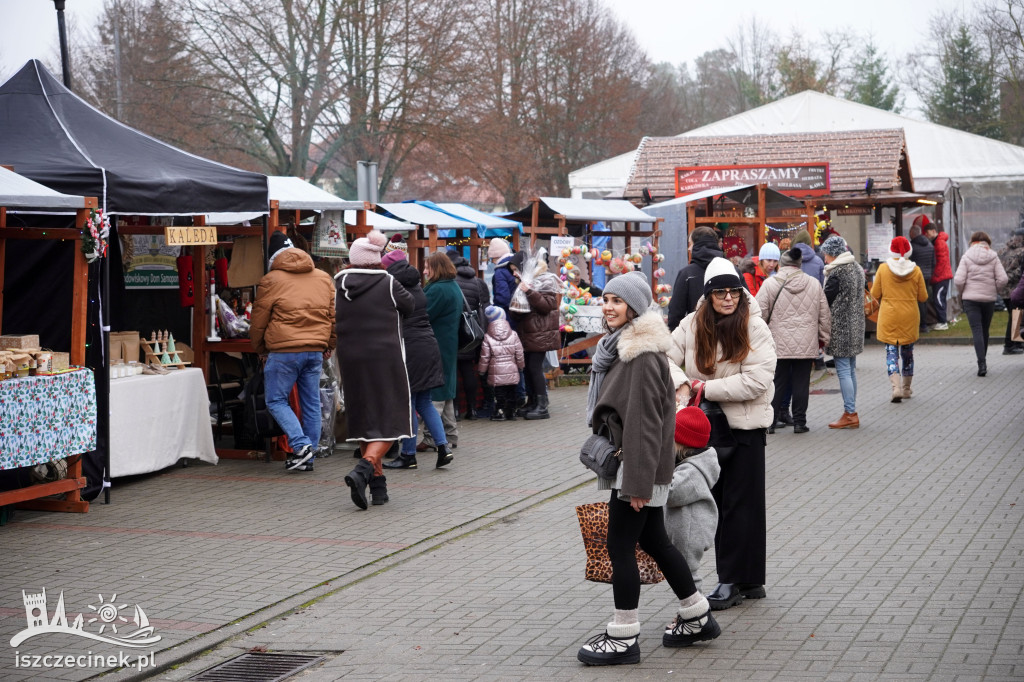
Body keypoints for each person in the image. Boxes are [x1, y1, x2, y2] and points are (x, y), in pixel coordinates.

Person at [577, 272, 721, 667]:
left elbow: (644, 424)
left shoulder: (639, 356)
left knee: (620, 547)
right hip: (642, 466)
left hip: (637, 469)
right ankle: (697, 615)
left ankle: (624, 637)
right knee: (656, 541)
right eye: (606, 299)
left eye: (617, 301)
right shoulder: (624, 347)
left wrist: (638, 485)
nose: (609, 307)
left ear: (635, 308)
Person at [666, 257, 776, 611]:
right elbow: (662, 357)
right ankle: (747, 580)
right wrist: (683, 383)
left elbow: (758, 380)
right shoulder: (691, 323)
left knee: (742, 506)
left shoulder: (755, 326)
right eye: (720, 292)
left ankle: (734, 579)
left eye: (734, 291)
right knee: (719, 503)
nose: (728, 298)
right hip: (706, 428)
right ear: (708, 295)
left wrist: (704, 388)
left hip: (745, 428)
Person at [336, 230, 416, 509]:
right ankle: (364, 468)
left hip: (350, 358)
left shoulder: (338, 282)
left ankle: (378, 487)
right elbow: (411, 305)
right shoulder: (388, 282)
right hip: (385, 357)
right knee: (393, 416)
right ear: (376, 257)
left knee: (365, 419)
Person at [250, 231, 336, 472]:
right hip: (314, 350)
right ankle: (307, 458)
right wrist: (329, 344)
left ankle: (300, 445)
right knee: (311, 404)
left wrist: (260, 348)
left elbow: (258, 320)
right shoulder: (323, 278)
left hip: (283, 350)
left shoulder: (271, 279)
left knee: (276, 400)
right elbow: (332, 317)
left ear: (273, 258)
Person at [380, 249, 451, 471]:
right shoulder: (419, 288)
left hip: (410, 349)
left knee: (407, 402)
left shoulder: (395, 291)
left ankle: (408, 455)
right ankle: (443, 447)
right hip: (428, 346)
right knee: (424, 402)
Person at [756, 247, 830, 434]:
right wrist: (825, 338)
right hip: (806, 342)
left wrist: (757, 339)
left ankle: (770, 423)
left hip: (777, 343)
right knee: (801, 383)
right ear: (799, 264)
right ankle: (799, 422)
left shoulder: (770, 284)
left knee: (777, 382)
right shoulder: (813, 284)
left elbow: (758, 313)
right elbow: (824, 314)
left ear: (782, 264)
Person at [665, 406, 720, 594]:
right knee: (681, 572)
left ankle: (696, 607)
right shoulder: (687, 464)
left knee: (688, 573)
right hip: (684, 528)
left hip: (690, 532)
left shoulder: (692, 471)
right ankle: (693, 606)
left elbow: (671, 493)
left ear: (682, 443)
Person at [871, 236, 928, 400]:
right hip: (909, 316)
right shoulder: (916, 270)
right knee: (908, 353)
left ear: (891, 250)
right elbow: (923, 296)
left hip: (889, 316)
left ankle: (895, 388)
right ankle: (906, 389)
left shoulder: (883, 269)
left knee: (891, 352)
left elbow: (875, 294)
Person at [418, 251, 463, 452]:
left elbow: (422, 314)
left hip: (436, 344)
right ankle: (451, 434)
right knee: (446, 391)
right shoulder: (452, 285)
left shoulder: (437, 289)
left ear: (436, 268)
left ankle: (432, 437)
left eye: (427, 267)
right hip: (448, 343)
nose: (424, 271)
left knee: (435, 392)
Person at [509, 249, 561, 420]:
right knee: (527, 369)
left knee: (534, 368)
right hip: (528, 333)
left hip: (540, 333)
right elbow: (520, 311)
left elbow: (547, 306)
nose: (514, 273)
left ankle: (542, 405)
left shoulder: (544, 281)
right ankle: (532, 401)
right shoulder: (524, 281)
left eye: (515, 269)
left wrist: (529, 291)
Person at [820, 235, 865, 429]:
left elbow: (825, 300)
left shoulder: (837, 272)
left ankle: (850, 413)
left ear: (833, 253)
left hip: (841, 328)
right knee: (851, 369)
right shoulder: (856, 268)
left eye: (826, 254)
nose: (824, 258)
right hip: (856, 326)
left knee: (844, 370)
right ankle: (851, 410)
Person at [954, 231, 1009, 377]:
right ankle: (983, 361)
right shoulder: (993, 256)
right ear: (987, 242)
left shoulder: (966, 256)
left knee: (977, 330)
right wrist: (995, 289)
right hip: (988, 300)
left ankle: (982, 363)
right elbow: (1003, 279)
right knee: (985, 330)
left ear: (972, 242)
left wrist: (963, 291)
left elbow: (958, 280)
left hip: (970, 300)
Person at [449, 250, 491, 419]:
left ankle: (456, 410)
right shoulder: (478, 281)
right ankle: (472, 410)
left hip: (454, 330)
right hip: (471, 332)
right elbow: (484, 307)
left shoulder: (451, 281)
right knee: (468, 370)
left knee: (453, 371)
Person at [667, 226, 725, 331]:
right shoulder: (732, 270)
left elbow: (675, 314)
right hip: (730, 335)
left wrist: (676, 337)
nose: (689, 248)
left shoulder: (687, 274)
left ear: (698, 245)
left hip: (697, 336)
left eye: (690, 244)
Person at [477, 306, 524, 421]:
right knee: (511, 391)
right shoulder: (513, 334)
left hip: (496, 371)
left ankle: (500, 411)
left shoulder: (487, 337)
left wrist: (482, 371)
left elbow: (485, 356)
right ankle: (511, 412)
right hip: (512, 369)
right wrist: (521, 366)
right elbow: (519, 353)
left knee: (499, 393)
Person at [997, 230, 1024, 354]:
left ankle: (1017, 342)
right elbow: (1020, 272)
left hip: (1003, 289)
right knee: (1015, 317)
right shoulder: (1022, 252)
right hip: (1016, 289)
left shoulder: (1002, 251)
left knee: (1014, 316)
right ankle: (1009, 345)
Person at [923, 218, 953, 331]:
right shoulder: (938, 241)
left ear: (933, 231)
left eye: (927, 233)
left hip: (941, 277)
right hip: (942, 276)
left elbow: (941, 262)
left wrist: (934, 276)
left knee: (938, 299)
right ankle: (941, 321)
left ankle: (942, 322)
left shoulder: (939, 243)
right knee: (939, 298)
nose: (926, 235)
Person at [908, 221, 935, 334]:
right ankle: (924, 324)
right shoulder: (930, 245)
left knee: (916, 301)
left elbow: (909, 263)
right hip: (927, 276)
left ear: (912, 234)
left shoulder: (912, 247)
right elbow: (933, 263)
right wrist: (929, 273)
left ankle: (920, 324)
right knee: (923, 300)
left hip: (916, 277)